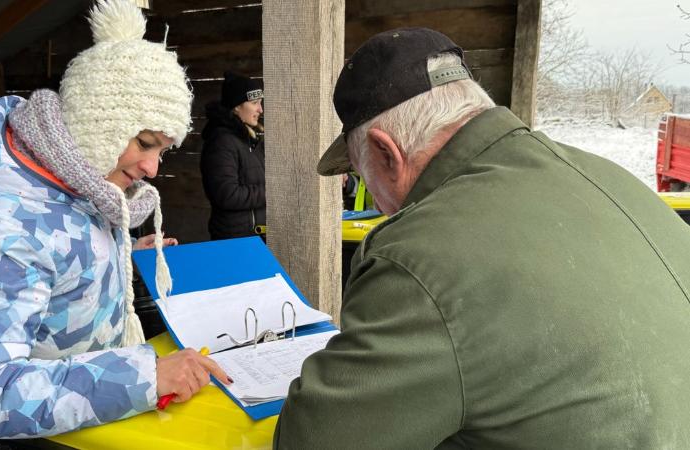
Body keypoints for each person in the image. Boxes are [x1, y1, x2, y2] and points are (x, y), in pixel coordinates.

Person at [274, 27, 690, 449]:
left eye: (365, 177)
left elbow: (312, 441)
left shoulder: (418, 256)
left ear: (386, 153)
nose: (380, 206)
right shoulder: (611, 179)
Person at [0, 1, 231, 448]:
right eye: (145, 143)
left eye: (162, 150)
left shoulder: (75, 186)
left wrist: (116, 256)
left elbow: (57, 264)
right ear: (96, 123)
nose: (152, 167)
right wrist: (145, 376)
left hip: (76, 431)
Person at [200, 71, 266, 240]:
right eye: (254, 103)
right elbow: (227, 195)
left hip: (253, 236)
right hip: (235, 240)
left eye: (260, 103)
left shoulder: (251, 140)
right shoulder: (222, 142)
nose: (260, 109)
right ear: (236, 106)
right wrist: (273, 192)